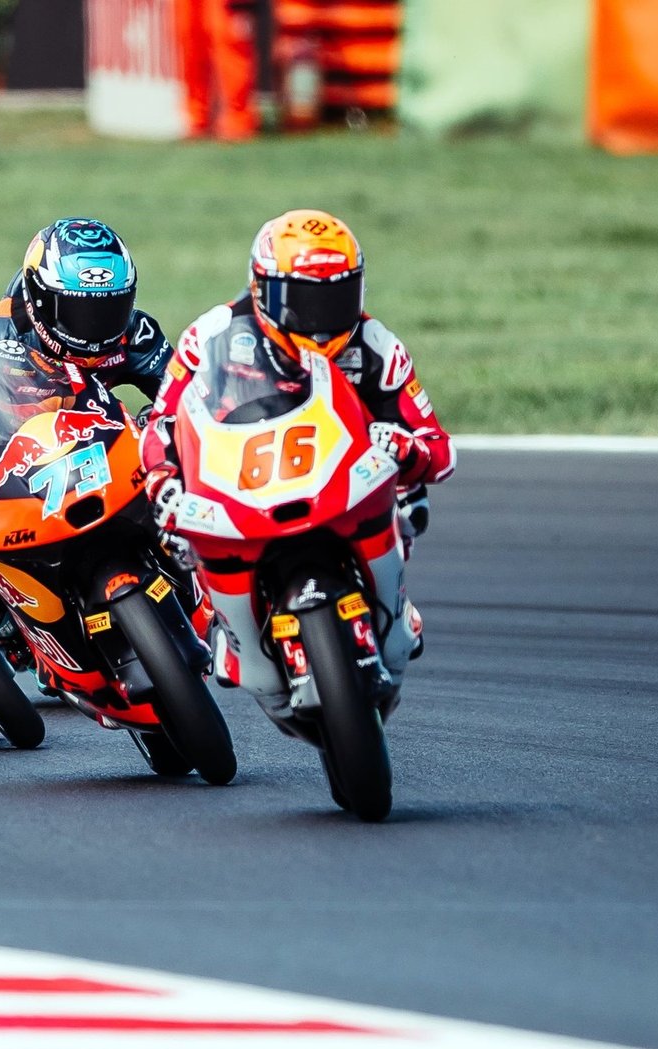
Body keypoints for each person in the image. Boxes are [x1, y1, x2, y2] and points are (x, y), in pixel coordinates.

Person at [138, 208, 454, 704]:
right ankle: (240, 640)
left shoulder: (376, 345)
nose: (321, 321)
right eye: (304, 301)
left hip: (349, 480)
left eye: (336, 299)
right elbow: (163, 421)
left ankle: (394, 613)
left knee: (412, 506)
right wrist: (163, 478)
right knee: (179, 531)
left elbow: (439, 447)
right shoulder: (213, 334)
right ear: (262, 290)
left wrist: (406, 448)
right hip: (247, 476)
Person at [0, 218, 188, 641]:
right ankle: (0, 625)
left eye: (110, 309)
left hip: (102, 447)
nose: (96, 330)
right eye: (78, 312)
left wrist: (159, 422)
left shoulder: (136, 333)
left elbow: (184, 399)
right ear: (40, 300)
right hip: (20, 464)